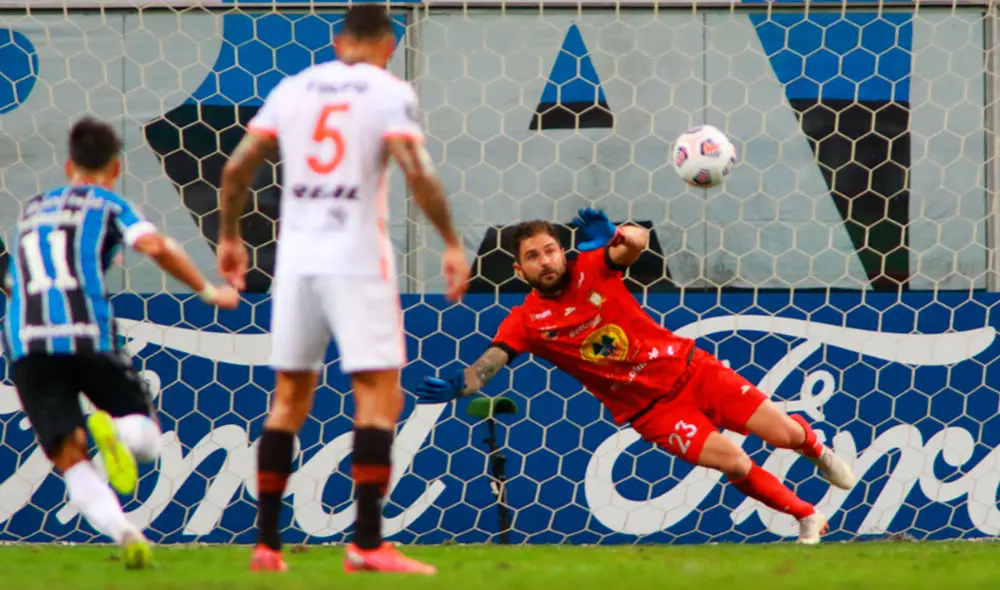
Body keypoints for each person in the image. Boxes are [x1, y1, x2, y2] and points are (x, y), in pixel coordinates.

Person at [415, 208, 856, 544]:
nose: (545, 261)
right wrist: (461, 384)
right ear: (520, 270)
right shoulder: (527, 322)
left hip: (693, 370)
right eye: (533, 256)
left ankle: (816, 449)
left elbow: (638, 244)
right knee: (735, 461)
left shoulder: (592, 266)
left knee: (785, 434)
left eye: (550, 250)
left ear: (561, 251)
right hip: (653, 412)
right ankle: (806, 516)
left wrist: (618, 235)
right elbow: (489, 364)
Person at [217, 5, 469, 575]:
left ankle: (266, 546)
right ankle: (367, 543)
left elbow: (236, 170)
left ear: (337, 41)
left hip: (296, 262)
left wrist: (230, 239)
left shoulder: (293, 88)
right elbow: (415, 167)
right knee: (379, 393)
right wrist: (451, 241)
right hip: (356, 256)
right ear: (388, 44)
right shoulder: (388, 90)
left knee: (288, 400)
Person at [2, 117, 239, 568]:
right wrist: (209, 291)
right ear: (116, 167)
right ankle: (110, 429)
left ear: (69, 165)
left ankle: (126, 531)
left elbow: (16, 280)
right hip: (85, 333)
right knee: (146, 440)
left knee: (69, 458)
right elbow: (156, 246)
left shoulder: (32, 209)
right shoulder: (109, 204)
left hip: (26, 342)